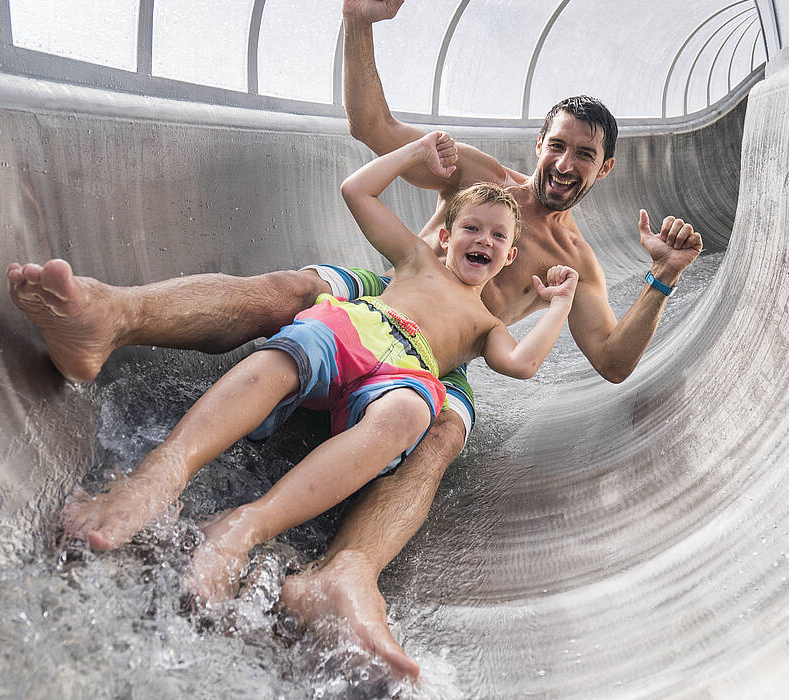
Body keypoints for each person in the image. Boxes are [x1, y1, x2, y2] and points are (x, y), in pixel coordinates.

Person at [9, 0, 703, 677]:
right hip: (386, 293)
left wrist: (661, 280)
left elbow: (612, 360)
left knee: (438, 438)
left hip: (444, 358)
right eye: (557, 144)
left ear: (603, 169)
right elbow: (371, 126)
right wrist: (358, 21)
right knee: (289, 290)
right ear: (540, 143)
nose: (565, 162)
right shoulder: (481, 179)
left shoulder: (574, 265)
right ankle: (111, 317)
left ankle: (344, 572)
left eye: (584, 154)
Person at [58, 131, 581, 608]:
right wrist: (411, 154)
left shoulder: (486, 322)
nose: (483, 241)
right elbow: (358, 191)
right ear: (445, 236)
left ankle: (246, 526)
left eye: (496, 238)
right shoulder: (417, 260)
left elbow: (522, 364)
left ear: (510, 257)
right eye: (472, 228)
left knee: (406, 417)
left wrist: (558, 306)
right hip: (360, 325)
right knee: (298, 346)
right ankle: (164, 473)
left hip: (408, 370)